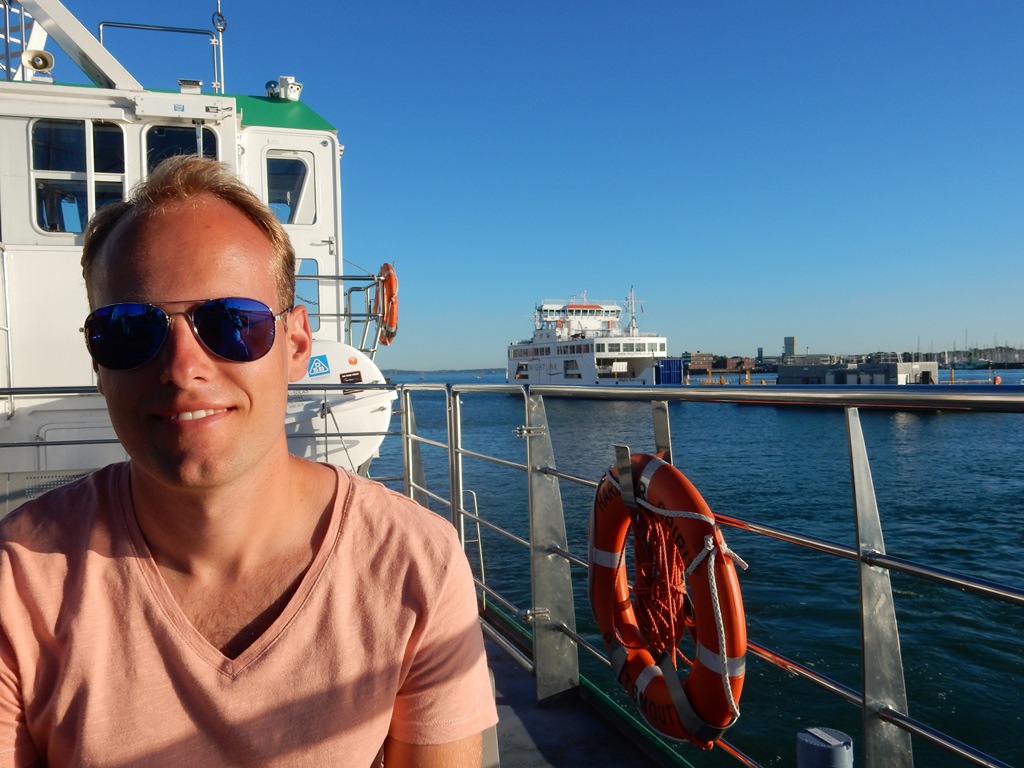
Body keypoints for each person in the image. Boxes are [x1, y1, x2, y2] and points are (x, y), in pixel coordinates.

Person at [0, 156, 497, 766]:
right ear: (98, 362)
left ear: (296, 343)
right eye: (129, 330)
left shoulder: (414, 563)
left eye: (231, 323)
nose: (183, 368)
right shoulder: (19, 581)